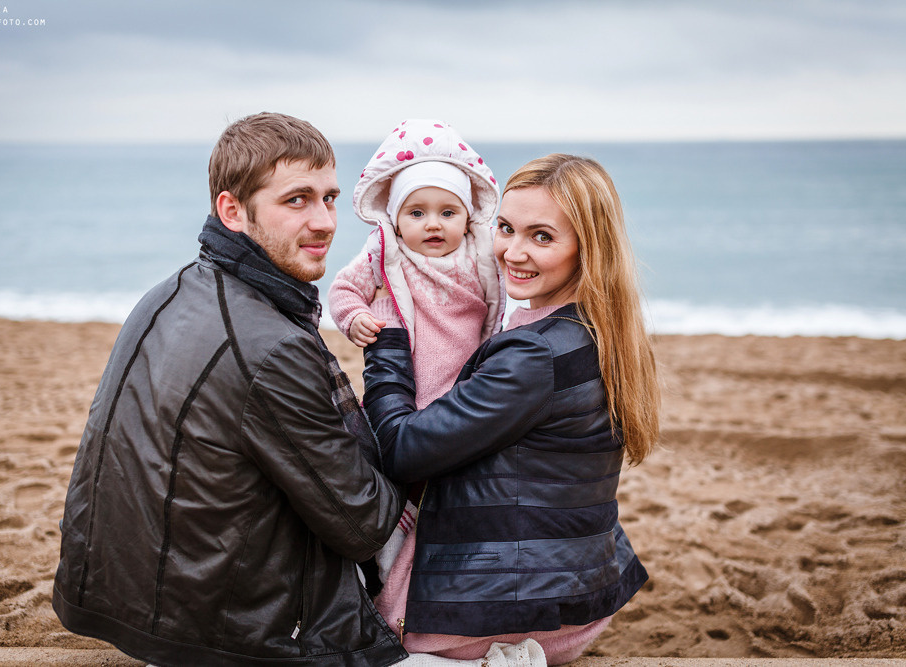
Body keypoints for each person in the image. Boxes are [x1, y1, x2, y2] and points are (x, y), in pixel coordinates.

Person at [52, 112, 409, 667]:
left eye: (330, 198)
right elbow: (364, 524)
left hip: (129, 600)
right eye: (297, 200)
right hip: (228, 632)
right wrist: (399, 396)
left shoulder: (165, 294)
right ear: (232, 210)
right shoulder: (272, 346)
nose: (324, 222)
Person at [362, 154, 661, 665]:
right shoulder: (599, 329)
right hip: (575, 599)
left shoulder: (534, 354)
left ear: (588, 247)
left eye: (541, 237)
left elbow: (401, 450)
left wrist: (388, 334)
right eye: (505, 228)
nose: (512, 252)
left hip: (499, 615)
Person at [328, 118, 505, 409]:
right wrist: (355, 316)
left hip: (468, 383)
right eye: (417, 213)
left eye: (448, 213)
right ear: (396, 222)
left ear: (467, 220)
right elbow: (344, 288)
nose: (433, 224)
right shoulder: (388, 254)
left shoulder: (480, 253)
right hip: (408, 384)